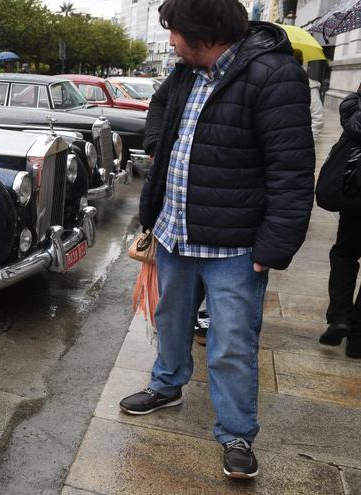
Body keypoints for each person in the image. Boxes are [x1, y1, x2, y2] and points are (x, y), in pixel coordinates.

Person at [119, 0, 314, 480]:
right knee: (171, 320)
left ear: (204, 34)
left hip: (235, 246)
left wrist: (273, 248)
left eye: (176, 31)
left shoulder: (274, 75)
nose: (170, 41)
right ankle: (167, 385)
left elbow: (291, 171)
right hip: (174, 234)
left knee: (231, 343)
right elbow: (160, 109)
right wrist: (157, 143)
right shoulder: (186, 72)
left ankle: (236, 432)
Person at [319, 87, 361, 358]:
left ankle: (340, 316)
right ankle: (358, 339)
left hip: (356, 190)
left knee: (345, 252)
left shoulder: (353, 104)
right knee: (344, 252)